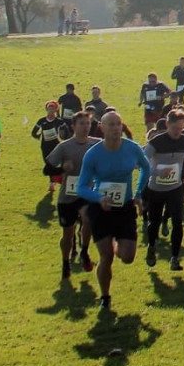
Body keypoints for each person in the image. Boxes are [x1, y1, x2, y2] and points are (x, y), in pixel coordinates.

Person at [76, 111, 152, 309]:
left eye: (119, 124)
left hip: (124, 207)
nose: (116, 128)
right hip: (100, 209)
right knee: (106, 257)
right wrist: (99, 197)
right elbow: (81, 186)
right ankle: (105, 296)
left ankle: (118, 242)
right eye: (111, 125)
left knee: (127, 257)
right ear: (102, 128)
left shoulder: (132, 148)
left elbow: (146, 168)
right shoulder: (93, 154)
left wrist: (138, 194)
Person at [47, 112, 101, 279]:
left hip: (88, 194)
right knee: (67, 235)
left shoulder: (97, 144)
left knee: (88, 219)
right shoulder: (64, 147)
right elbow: (47, 169)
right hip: (67, 196)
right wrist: (63, 169)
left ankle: (84, 251)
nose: (85, 127)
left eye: (88, 123)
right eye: (82, 124)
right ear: (73, 127)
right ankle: (65, 262)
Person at [142, 110, 184, 270]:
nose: (178, 132)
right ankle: (151, 247)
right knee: (154, 222)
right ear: (167, 125)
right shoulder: (156, 142)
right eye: (175, 128)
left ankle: (175, 258)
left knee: (177, 222)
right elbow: (142, 165)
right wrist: (157, 172)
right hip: (156, 188)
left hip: (175, 188)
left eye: (181, 128)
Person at [32, 101, 68, 194]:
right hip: (45, 146)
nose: (51, 110)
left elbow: (66, 131)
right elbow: (33, 132)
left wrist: (63, 136)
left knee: (57, 163)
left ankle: (56, 182)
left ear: (56, 109)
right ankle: (53, 181)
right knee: (48, 163)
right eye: (49, 108)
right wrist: (38, 136)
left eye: (52, 108)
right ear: (46, 109)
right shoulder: (41, 121)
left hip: (56, 145)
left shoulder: (59, 121)